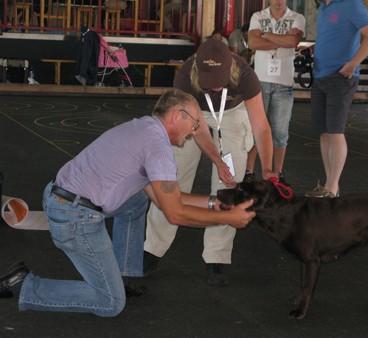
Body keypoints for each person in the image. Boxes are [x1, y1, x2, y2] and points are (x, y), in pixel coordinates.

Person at [0, 89, 256, 316]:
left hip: (63, 199)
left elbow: (166, 198)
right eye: (196, 123)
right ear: (177, 115)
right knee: (110, 302)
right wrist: (228, 218)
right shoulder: (158, 147)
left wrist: (214, 203)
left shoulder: (143, 128)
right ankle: (25, 285)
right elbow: (175, 214)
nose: (196, 130)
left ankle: (123, 275)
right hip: (75, 217)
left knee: (135, 202)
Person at [144, 39, 276, 286]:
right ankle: (152, 248)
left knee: (230, 187)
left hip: (233, 113)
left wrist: (268, 168)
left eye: (220, 81)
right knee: (171, 177)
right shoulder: (184, 76)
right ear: (197, 69)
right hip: (196, 115)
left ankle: (217, 255)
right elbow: (200, 130)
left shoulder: (246, 74)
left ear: (231, 69)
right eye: (209, 82)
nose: (215, 87)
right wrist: (217, 160)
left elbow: (261, 127)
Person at [304, 0, 368, 198]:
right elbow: (332, 37)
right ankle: (330, 186)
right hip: (320, 76)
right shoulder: (322, 8)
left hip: (341, 76)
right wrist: (315, 48)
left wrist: (354, 63)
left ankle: (333, 186)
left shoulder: (352, 4)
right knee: (324, 132)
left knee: (335, 131)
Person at [245, 0, 305, 184]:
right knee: (255, 129)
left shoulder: (297, 18)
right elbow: (253, 43)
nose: (279, 1)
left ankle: (277, 173)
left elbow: (293, 41)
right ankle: (249, 172)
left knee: (280, 132)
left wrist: (265, 34)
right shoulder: (257, 16)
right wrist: (281, 39)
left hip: (284, 84)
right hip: (259, 83)